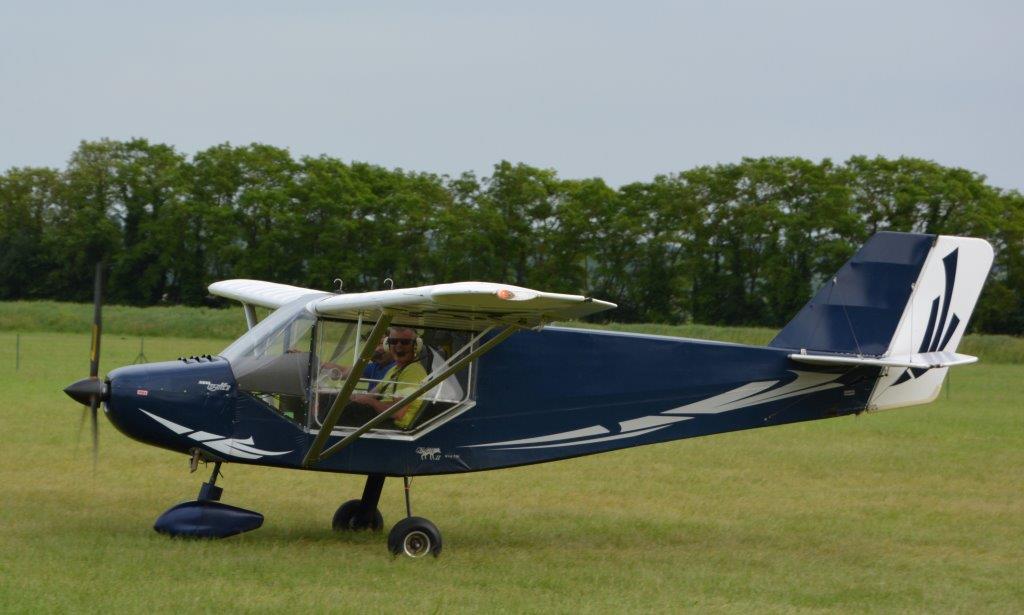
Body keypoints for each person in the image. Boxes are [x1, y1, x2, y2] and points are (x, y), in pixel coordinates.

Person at [342, 327, 428, 430]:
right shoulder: (394, 370)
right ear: (387, 345)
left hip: (394, 428)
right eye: (393, 342)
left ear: (416, 346)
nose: (398, 346)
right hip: (381, 421)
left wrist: (371, 402)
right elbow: (371, 395)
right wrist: (349, 397)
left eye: (405, 342)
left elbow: (398, 413)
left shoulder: (413, 371)